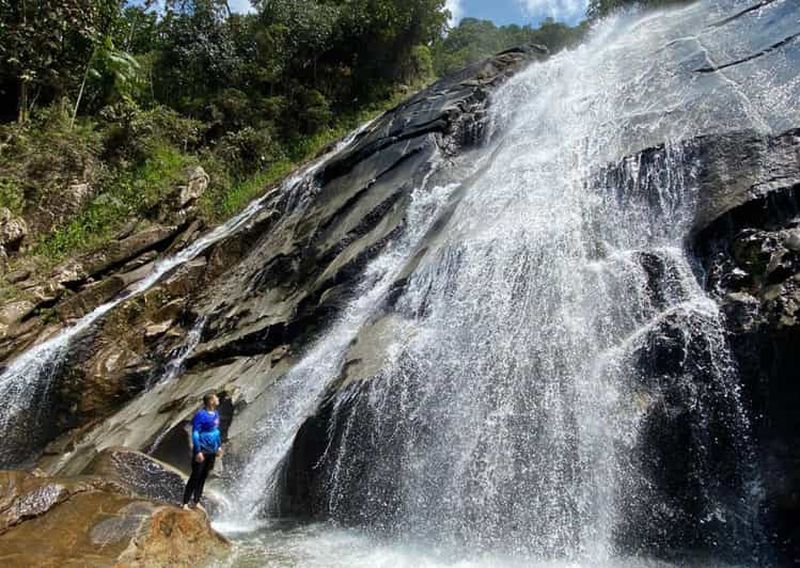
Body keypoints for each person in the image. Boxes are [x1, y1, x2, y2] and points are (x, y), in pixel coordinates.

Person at [182, 392, 223, 510]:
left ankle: (196, 500)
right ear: (211, 401)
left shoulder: (215, 414)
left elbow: (216, 431)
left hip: (212, 451)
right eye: (216, 398)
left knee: (204, 476)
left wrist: (219, 446)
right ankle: (185, 502)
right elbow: (195, 433)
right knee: (195, 476)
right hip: (202, 450)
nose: (218, 399)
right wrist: (198, 451)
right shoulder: (200, 415)